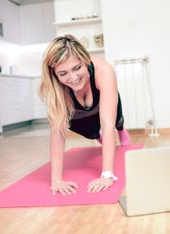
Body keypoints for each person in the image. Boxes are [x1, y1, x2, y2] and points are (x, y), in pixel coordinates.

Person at [39, 34, 131, 195]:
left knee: (115, 120)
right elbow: (57, 133)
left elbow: (107, 124)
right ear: (54, 74)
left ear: (85, 60)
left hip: (102, 106)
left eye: (77, 68)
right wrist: (57, 180)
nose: (73, 78)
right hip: (78, 108)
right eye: (63, 73)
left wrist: (107, 175)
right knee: (91, 132)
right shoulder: (54, 87)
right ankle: (96, 135)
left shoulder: (103, 71)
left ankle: (122, 130)